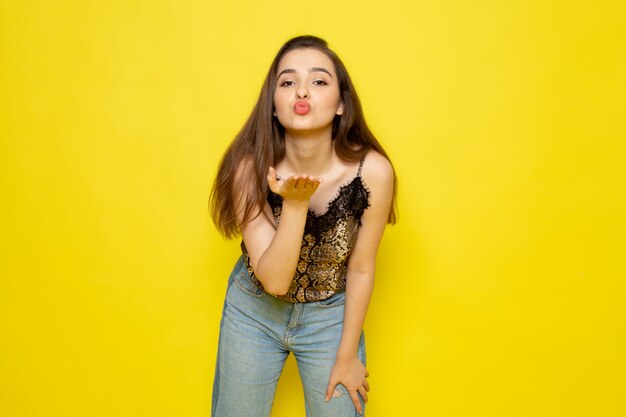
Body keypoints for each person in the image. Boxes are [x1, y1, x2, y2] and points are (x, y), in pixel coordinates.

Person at [209, 34, 397, 417]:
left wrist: (347, 355)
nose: (303, 91)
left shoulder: (373, 172)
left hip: (331, 315)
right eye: (288, 81)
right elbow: (275, 281)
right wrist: (294, 206)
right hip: (254, 311)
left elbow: (361, 266)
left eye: (319, 81)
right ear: (274, 107)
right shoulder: (248, 169)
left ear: (341, 103)